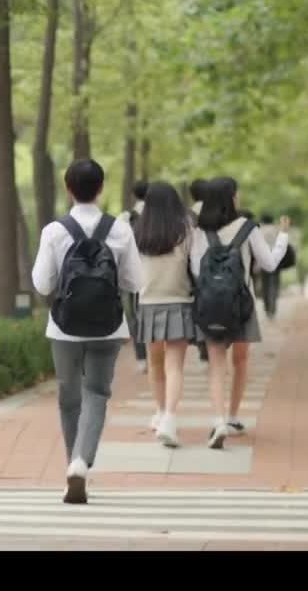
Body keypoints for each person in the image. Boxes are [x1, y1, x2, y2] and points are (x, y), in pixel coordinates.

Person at [32, 159, 144, 504]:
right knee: (96, 392)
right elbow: (135, 282)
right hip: (108, 326)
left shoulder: (54, 231)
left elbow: (42, 284)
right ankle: (81, 463)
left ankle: (73, 466)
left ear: (68, 188)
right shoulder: (120, 230)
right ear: (101, 188)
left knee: (68, 398)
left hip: (64, 327)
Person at [190, 177, 290, 449]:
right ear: (232, 198)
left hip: (210, 305)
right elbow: (269, 264)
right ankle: (233, 416)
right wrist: (282, 236)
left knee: (216, 365)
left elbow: (196, 270)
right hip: (241, 306)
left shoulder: (200, 231)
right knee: (241, 361)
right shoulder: (247, 228)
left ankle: (219, 420)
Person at [132, 182, 195, 448]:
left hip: (148, 302)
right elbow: (197, 265)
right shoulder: (186, 230)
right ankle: (169, 416)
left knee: (155, 363)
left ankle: (160, 412)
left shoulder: (139, 231)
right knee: (174, 365)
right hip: (179, 300)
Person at [120, 180, 150, 374]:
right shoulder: (160, 216)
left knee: (136, 316)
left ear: (133, 195)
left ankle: (141, 358)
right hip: (156, 272)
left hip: (134, 272)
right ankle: (160, 356)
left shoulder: (126, 217)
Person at [187, 179, 210, 364]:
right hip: (214, 263)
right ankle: (211, 340)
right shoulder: (217, 212)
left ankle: (201, 343)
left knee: (197, 305)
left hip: (193, 265)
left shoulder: (188, 215)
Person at [258, 213, 284, 321]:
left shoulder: (259, 231)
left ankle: (267, 308)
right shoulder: (277, 230)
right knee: (274, 284)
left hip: (263, 260)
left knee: (265, 284)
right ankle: (273, 307)